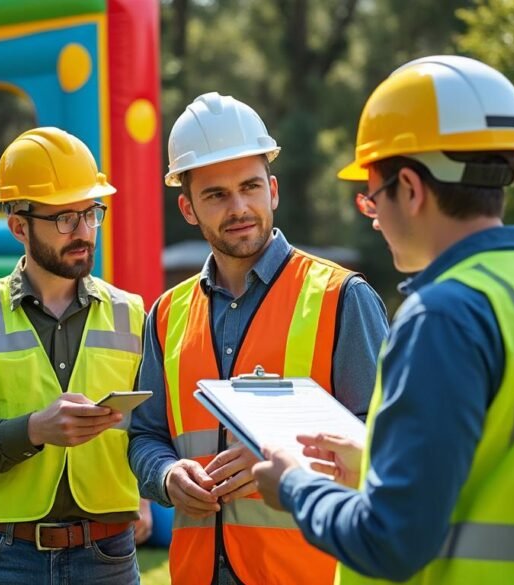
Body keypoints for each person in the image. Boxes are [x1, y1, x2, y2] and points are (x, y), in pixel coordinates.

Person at [252, 55, 514, 584]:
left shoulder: (442, 314)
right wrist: (378, 461)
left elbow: (390, 540)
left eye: (373, 198)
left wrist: (295, 486)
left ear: (412, 189)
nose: (374, 218)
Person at [128, 92, 389, 585]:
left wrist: (284, 462)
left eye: (249, 187)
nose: (239, 207)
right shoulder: (165, 314)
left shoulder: (342, 297)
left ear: (273, 189)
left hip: (307, 573)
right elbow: (145, 434)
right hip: (197, 572)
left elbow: (382, 440)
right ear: (188, 207)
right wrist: (164, 476)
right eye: (216, 195)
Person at [0, 127, 147, 585]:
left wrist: (145, 495)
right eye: (65, 218)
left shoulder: (132, 313)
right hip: (4, 557)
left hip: (108, 554)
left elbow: (149, 426)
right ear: (18, 225)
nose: (84, 232)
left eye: (91, 213)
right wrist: (32, 430)